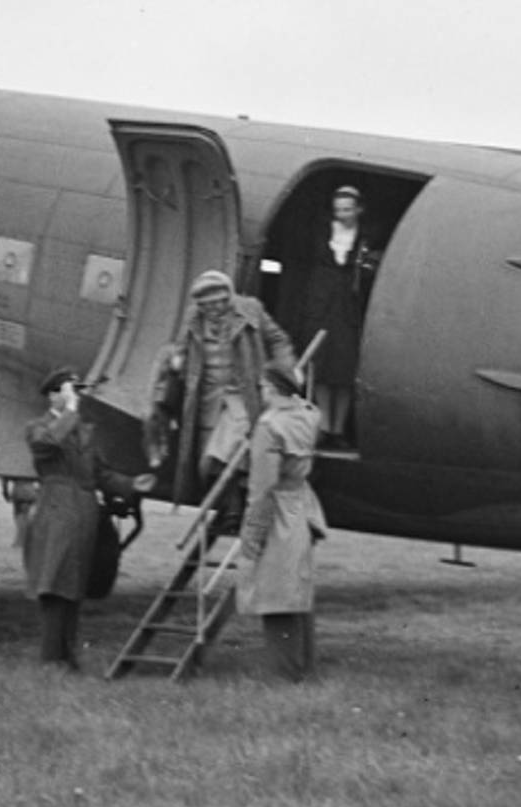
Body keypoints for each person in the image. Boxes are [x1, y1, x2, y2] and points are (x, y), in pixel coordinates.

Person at [23, 368, 153, 670]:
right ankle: (51, 658)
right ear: (53, 395)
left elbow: (100, 474)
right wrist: (69, 410)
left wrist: (132, 485)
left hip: (82, 516)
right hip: (56, 513)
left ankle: (67, 657)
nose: (77, 397)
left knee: (73, 586)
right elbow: (47, 446)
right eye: (70, 390)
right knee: (54, 586)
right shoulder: (37, 428)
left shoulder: (83, 431)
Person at [145, 269, 295, 525]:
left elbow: (278, 339)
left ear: (228, 297)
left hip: (242, 395)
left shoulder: (251, 310)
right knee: (209, 460)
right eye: (206, 305)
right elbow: (180, 348)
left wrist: (286, 371)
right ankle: (227, 506)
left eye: (218, 302)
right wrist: (176, 361)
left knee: (232, 449)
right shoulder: (194, 319)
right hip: (206, 399)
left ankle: (235, 510)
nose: (213, 309)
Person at [237, 361, 327, 682]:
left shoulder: (269, 426)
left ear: (272, 388)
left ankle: (282, 673)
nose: (261, 392)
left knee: (275, 594)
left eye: (263, 387)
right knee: (298, 591)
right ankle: (304, 666)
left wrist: (252, 535)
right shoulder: (309, 415)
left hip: (277, 511)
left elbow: (262, 488)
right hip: (300, 505)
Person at [297, 185, 381, 446]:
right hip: (322, 306)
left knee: (343, 372)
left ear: (358, 210)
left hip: (348, 309)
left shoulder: (369, 236)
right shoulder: (320, 232)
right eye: (338, 210)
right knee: (321, 368)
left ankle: (338, 429)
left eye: (347, 209)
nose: (342, 214)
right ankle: (324, 424)